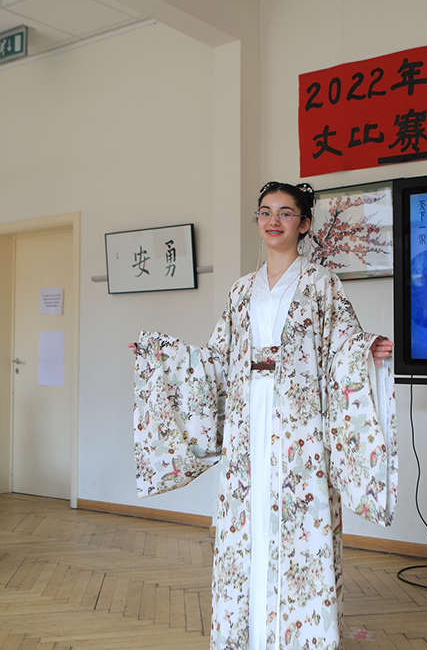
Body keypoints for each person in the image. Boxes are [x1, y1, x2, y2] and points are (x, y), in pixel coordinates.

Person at [130, 181, 397, 649]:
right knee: (247, 520)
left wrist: (365, 350)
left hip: (300, 425)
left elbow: (341, 345)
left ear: (304, 224)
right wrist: (163, 359)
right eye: (265, 212)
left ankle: (301, 637)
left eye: (285, 213)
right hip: (246, 421)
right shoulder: (240, 291)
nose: (273, 221)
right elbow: (216, 360)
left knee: (302, 517)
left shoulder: (322, 284)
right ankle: (247, 637)